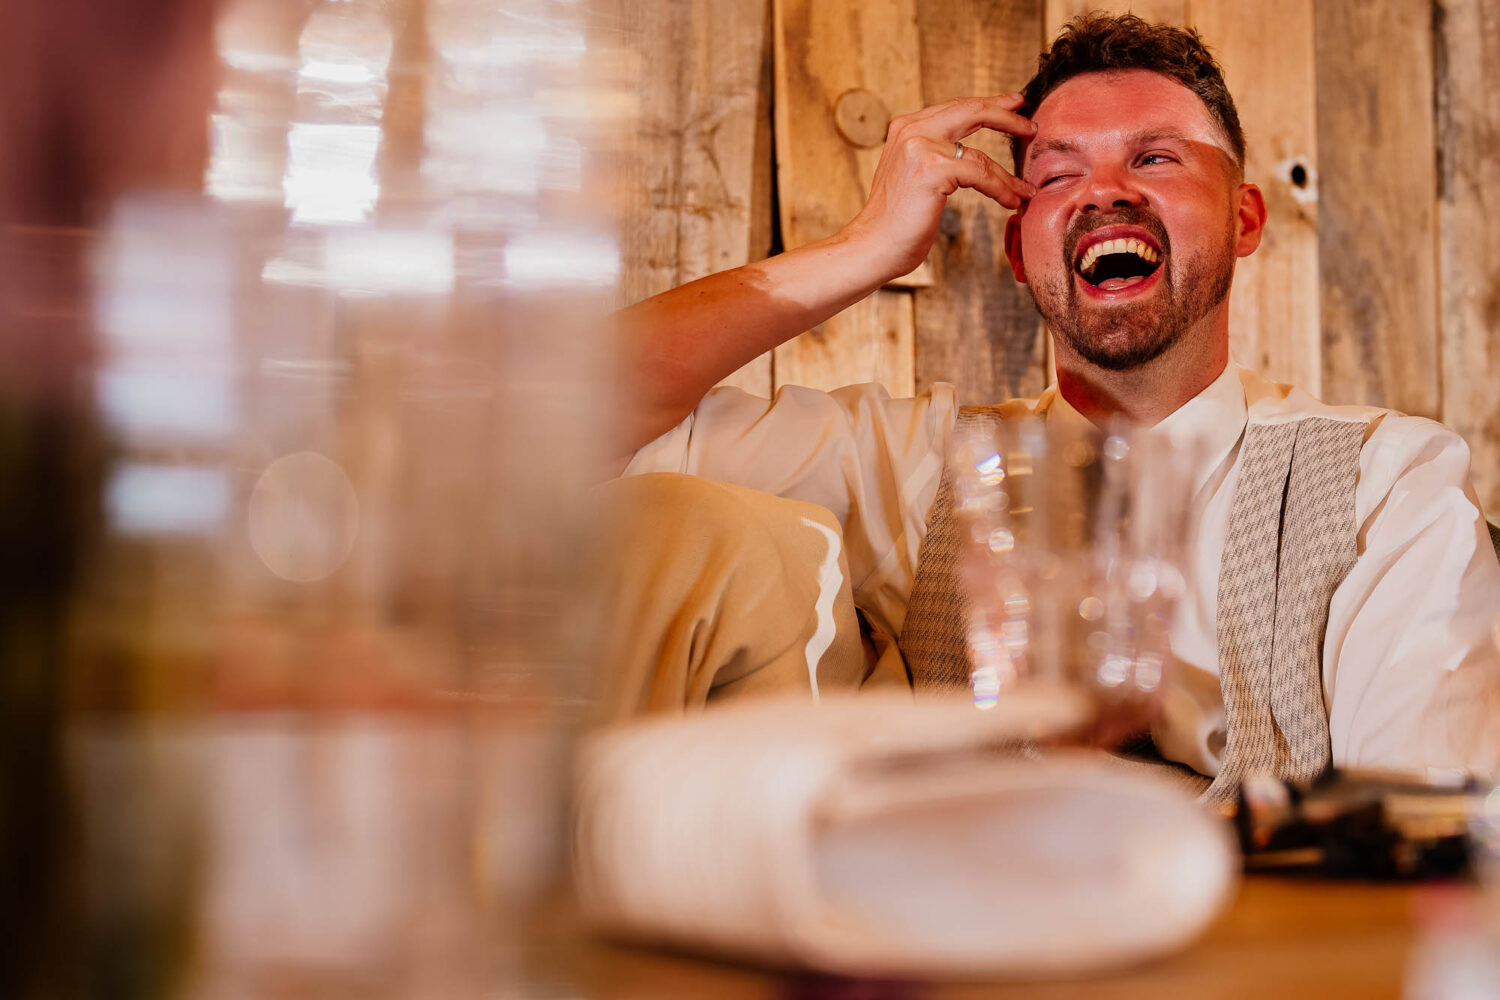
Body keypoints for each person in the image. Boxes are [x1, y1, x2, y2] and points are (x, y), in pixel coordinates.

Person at [602, 13, 1500, 790]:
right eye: (1060, 174)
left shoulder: (1386, 486)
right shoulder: (911, 463)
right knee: (676, 519)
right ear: (1018, 250)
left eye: (1155, 157)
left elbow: (1420, 835)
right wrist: (862, 249)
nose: (1107, 191)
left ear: (1244, 218)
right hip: (940, 956)